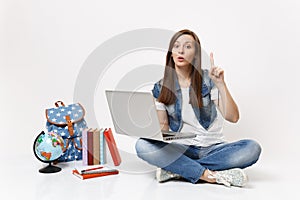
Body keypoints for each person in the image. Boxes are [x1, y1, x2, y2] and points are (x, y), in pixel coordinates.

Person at [135, 29, 261, 187]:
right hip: (180, 148)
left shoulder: (209, 80)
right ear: (171, 53)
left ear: (196, 54)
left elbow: (233, 117)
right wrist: (146, 127)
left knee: (252, 148)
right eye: (176, 46)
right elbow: (163, 129)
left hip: (213, 148)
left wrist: (221, 84)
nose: (181, 50)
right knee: (142, 146)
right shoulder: (161, 87)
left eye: (188, 46)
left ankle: (178, 169)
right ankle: (208, 175)